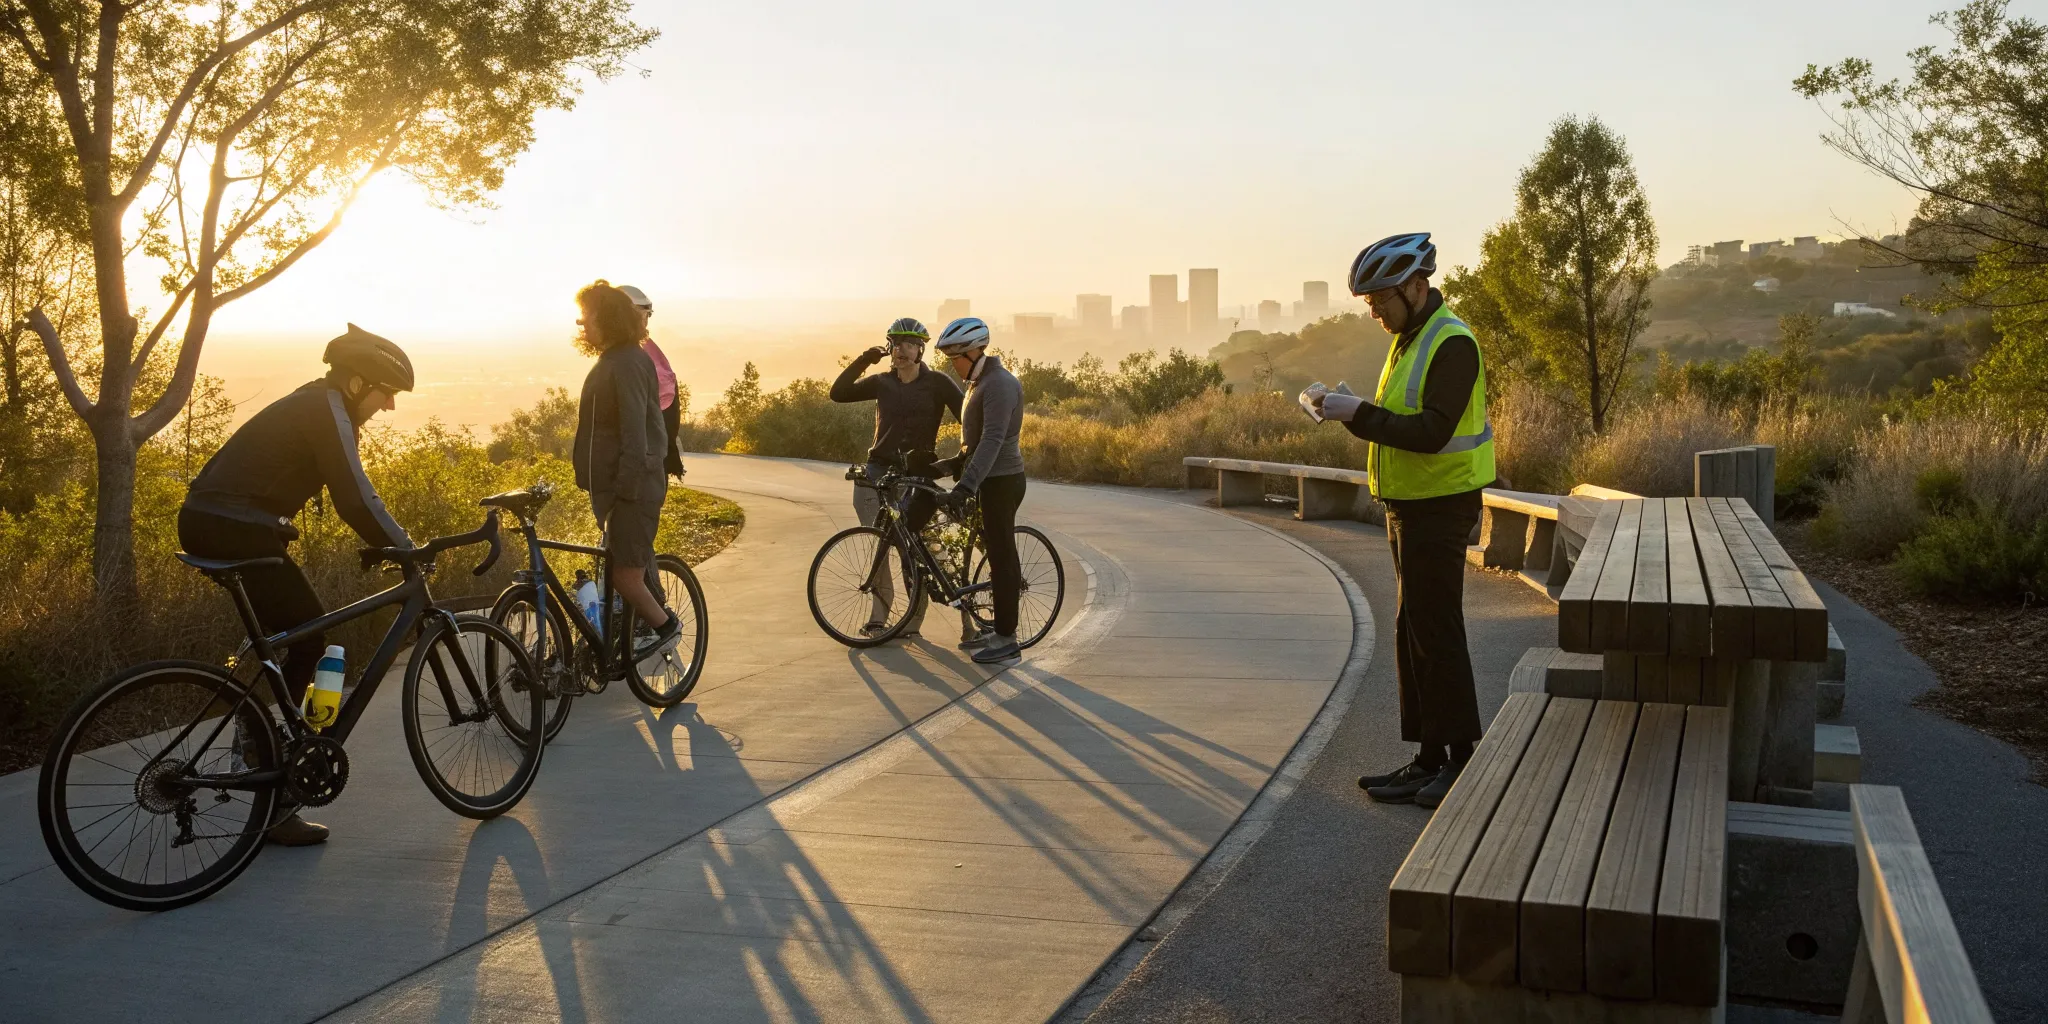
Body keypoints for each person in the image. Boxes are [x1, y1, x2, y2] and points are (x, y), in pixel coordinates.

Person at [179, 324, 416, 846]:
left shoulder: (317, 401)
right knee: (308, 638)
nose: (389, 406)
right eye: (386, 392)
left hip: (218, 520)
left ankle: (255, 736)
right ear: (357, 383)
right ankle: (274, 792)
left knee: (288, 639)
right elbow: (355, 495)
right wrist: (406, 547)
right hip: (232, 524)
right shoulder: (326, 406)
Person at [1305, 232, 1495, 810]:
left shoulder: (1452, 343)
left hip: (1441, 505)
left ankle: (1462, 763)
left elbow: (1431, 432)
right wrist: (1348, 406)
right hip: (1409, 506)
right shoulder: (1412, 338)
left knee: (1437, 632)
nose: (1376, 313)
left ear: (1418, 286)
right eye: (1369, 304)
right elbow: (1402, 417)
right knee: (1412, 629)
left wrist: (1357, 414)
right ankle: (1429, 759)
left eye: (1382, 300)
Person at [830, 317, 964, 637]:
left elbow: (969, 419)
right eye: (896, 342)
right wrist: (864, 360)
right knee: (878, 546)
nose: (900, 349)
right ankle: (880, 613)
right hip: (876, 473)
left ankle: (912, 621)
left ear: (921, 349)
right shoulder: (882, 382)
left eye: (908, 343)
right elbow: (838, 393)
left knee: (913, 550)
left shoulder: (939, 383)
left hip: (916, 476)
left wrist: (962, 458)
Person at [570, 280, 680, 657]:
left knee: (625, 577)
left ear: (610, 318)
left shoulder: (628, 362)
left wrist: (623, 492)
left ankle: (666, 628)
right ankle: (614, 645)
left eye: (588, 318)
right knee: (619, 573)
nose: (581, 325)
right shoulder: (616, 359)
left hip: (630, 491)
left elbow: (637, 436)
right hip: (615, 490)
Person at [931, 317, 1027, 665]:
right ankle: (997, 625)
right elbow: (973, 440)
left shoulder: (999, 384)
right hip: (987, 479)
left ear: (973, 351)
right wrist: (951, 464)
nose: (952, 365)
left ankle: (1007, 640)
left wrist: (965, 486)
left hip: (1002, 481)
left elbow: (992, 439)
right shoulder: (978, 382)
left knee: (1002, 558)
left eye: (955, 357)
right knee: (991, 551)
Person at [618, 284, 686, 480]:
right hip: (652, 465)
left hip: (643, 472)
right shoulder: (643, 350)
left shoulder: (635, 356)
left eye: (645, 316)